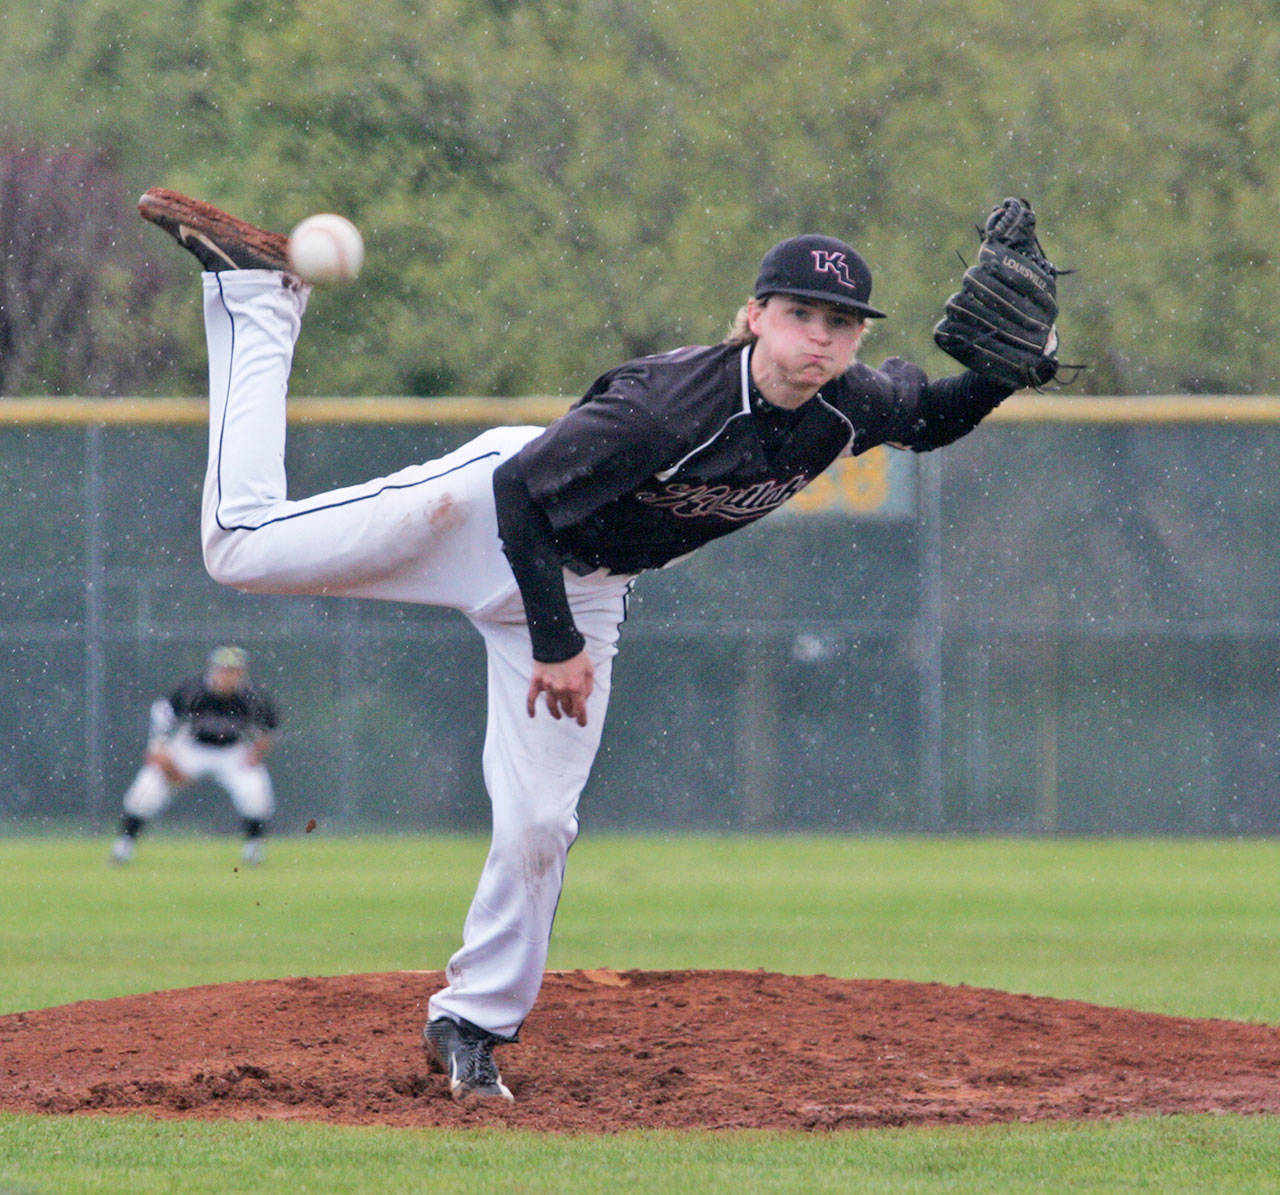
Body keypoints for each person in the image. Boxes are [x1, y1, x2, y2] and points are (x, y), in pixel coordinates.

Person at [137, 187, 1020, 1103]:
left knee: (539, 823)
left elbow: (934, 416)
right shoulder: (669, 406)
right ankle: (258, 300)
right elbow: (522, 493)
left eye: (843, 322)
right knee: (237, 547)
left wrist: (1008, 372)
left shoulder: (846, 404)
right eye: (801, 313)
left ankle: (470, 1022)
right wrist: (555, 643)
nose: (822, 337)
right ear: (756, 316)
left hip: (587, 590)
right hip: (487, 518)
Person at [110, 645, 279, 866]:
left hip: (232, 750)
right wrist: (159, 749)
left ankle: (253, 850)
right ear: (213, 669)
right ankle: (123, 847)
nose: (227, 675)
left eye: (233, 670)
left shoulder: (251, 694)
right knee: (147, 788)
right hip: (192, 747)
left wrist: (256, 752)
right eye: (222, 669)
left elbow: (270, 728)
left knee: (256, 792)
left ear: (241, 672)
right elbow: (163, 714)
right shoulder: (194, 690)